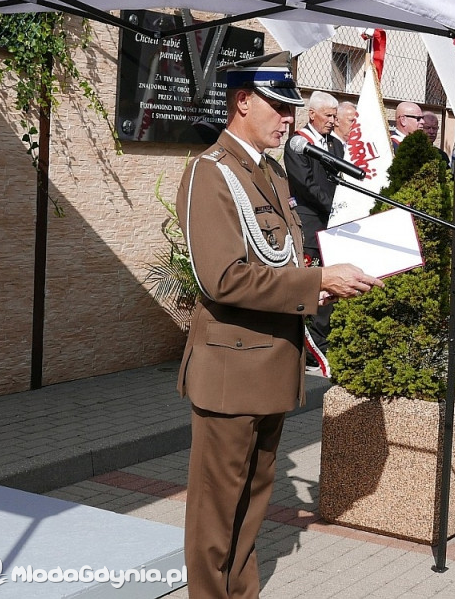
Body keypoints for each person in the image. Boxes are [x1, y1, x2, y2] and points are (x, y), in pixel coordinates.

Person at [175, 52, 383, 598]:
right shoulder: (210, 173)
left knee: (252, 504)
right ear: (242, 102)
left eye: (293, 108)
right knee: (217, 516)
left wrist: (357, 260)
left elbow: (284, 255)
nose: (288, 118)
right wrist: (316, 283)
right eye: (279, 106)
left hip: (270, 367)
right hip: (231, 371)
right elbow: (223, 278)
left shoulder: (268, 170)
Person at [284, 90, 346, 359]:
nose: (333, 120)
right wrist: (334, 206)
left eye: (335, 116)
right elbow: (305, 185)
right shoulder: (298, 144)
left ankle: (326, 339)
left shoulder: (336, 145)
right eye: (328, 115)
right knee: (315, 279)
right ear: (312, 114)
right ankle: (313, 346)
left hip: (334, 222)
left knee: (332, 282)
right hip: (310, 222)